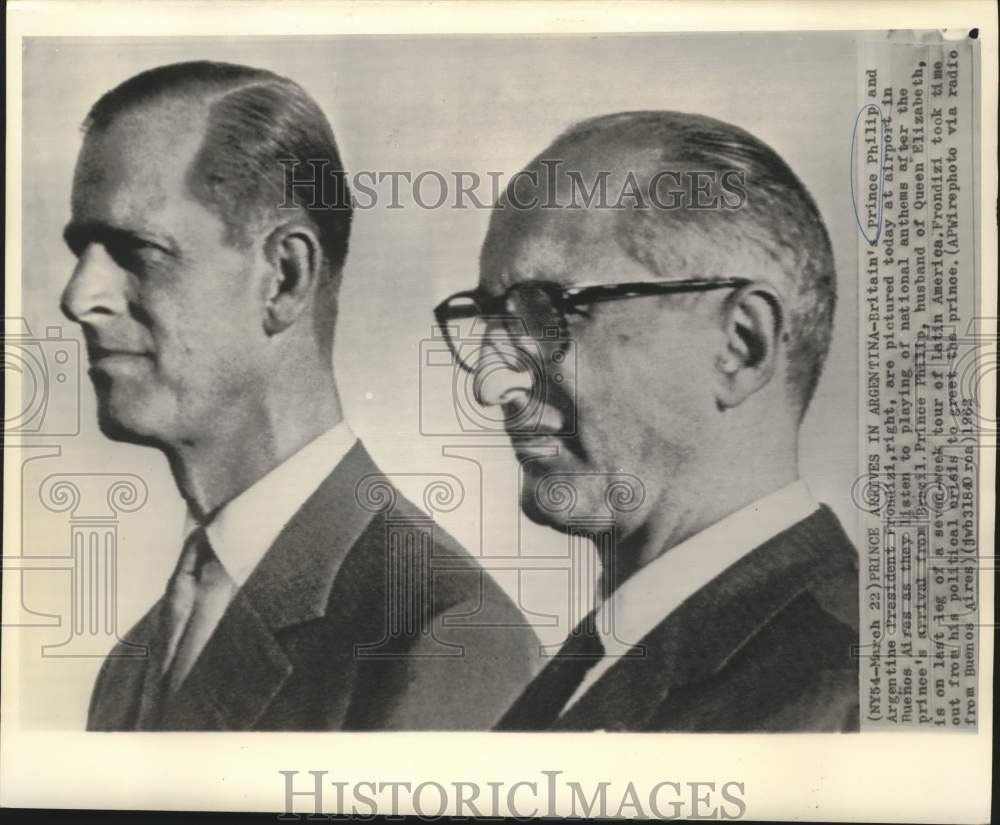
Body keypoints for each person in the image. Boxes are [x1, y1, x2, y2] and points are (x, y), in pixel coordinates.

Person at [63, 60, 537, 731]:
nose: (80, 297)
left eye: (136, 251)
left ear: (285, 277)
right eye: (83, 250)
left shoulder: (443, 636)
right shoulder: (135, 660)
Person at [435, 110, 858, 732]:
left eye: (546, 313)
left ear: (741, 345)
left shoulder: (847, 693)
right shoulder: (596, 663)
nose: (492, 379)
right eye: (491, 319)